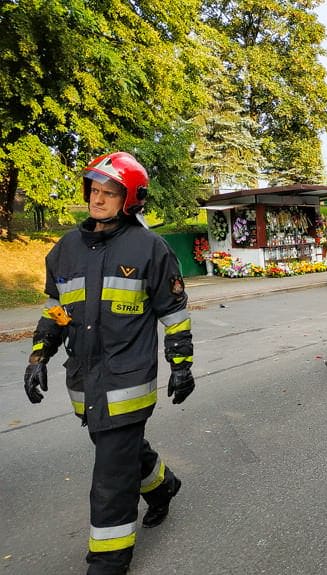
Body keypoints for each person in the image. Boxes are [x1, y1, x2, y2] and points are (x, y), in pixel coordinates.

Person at [23, 151, 195, 575]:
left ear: (130, 199)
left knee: (110, 480)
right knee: (121, 453)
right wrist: (39, 354)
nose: (97, 200)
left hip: (128, 380)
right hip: (84, 380)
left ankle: (109, 560)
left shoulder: (150, 248)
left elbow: (174, 313)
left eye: (109, 193)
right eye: (94, 191)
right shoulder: (64, 249)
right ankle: (163, 487)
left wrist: (181, 364)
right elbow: (54, 309)